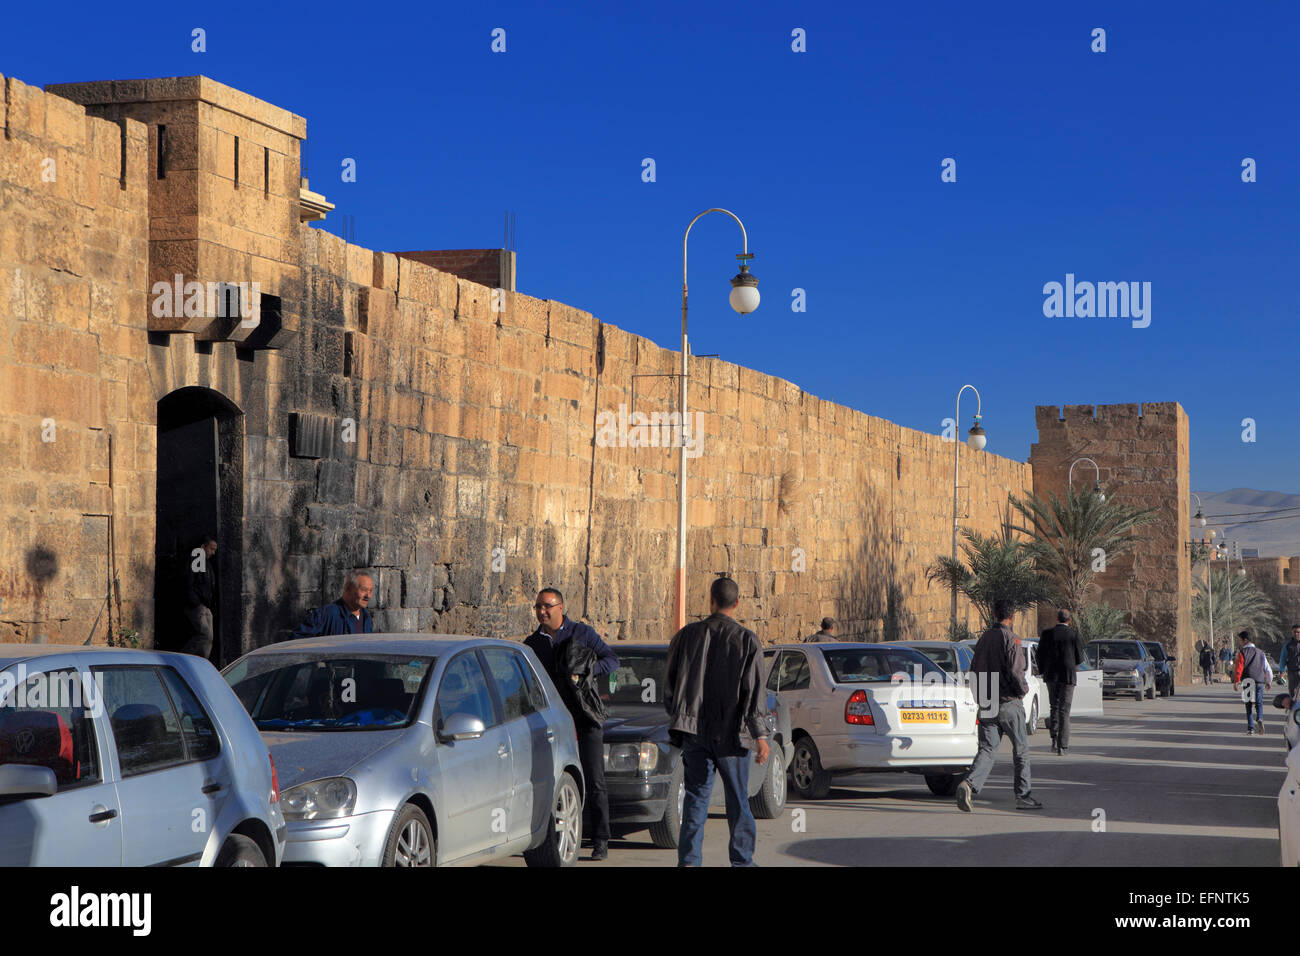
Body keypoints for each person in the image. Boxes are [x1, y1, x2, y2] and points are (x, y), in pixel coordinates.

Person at [665, 576, 771, 867]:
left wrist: (678, 720)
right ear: (737, 603)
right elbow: (754, 692)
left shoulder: (686, 636)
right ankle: (742, 861)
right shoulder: (747, 640)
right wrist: (760, 735)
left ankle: (689, 862)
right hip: (731, 734)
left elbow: (671, 685)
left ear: (710, 600)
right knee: (738, 801)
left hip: (695, 731)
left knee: (696, 799)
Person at [524, 587, 619, 861]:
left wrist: (587, 672)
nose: (542, 611)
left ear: (560, 607)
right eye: (538, 606)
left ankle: (601, 839)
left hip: (585, 715)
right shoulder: (532, 644)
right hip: (552, 719)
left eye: (547, 606)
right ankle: (550, 835)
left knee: (594, 779)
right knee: (552, 779)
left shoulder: (582, 634)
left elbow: (612, 660)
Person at [956, 600, 1042, 811]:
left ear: (994, 614)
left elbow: (974, 669)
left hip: (986, 702)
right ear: (1012, 616)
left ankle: (969, 784)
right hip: (1008, 701)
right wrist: (1022, 691)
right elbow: (1015, 670)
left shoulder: (984, 639)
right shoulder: (1012, 639)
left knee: (987, 748)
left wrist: (979, 696)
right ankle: (1023, 795)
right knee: (1020, 749)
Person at [1039, 609, 1085, 755]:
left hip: (1051, 675)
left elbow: (1039, 654)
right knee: (1065, 710)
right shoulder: (1074, 635)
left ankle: (1054, 738)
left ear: (1057, 619)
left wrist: (1042, 670)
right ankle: (1062, 745)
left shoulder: (1047, 634)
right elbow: (1079, 658)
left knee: (1054, 706)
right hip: (1068, 676)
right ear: (1069, 620)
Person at [293, 571, 376, 637]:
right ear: (348, 589)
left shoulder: (366, 617)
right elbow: (298, 640)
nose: (368, 596)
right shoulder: (326, 614)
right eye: (364, 590)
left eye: (370, 591)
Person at [181, 535, 218, 659]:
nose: (213, 553)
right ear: (203, 547)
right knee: (204, 635)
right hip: (198, 606)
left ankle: (201, 662)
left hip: (204, 606)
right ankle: (182, 658)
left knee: (208, 638)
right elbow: (189, 583)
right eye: (211, 549)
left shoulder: (206, 563)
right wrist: (197, 603)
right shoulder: (197, 560)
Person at [1233, 629, 1272, 735]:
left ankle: (1251, 728)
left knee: (1249, 704)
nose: (1240, 642)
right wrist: (1269, 681)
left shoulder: (1242, 652)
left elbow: (1239, 668)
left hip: (1247, 680)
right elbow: (1267, 668)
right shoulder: (1260, 652)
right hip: (1259, 680)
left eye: (1240, 640)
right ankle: (1260, 718)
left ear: (1245, 640)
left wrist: (1236, 681)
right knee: (1259, 703)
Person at [1278, 625, 1300, 694]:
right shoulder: (1287, 645)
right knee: (1292, 692)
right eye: (1294, 632)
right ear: (1292, 633)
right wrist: (1282, 671)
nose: (1296, 634)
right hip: (1292, 672)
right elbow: (1283, 659)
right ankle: (1294, 704)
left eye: (1298, 632)